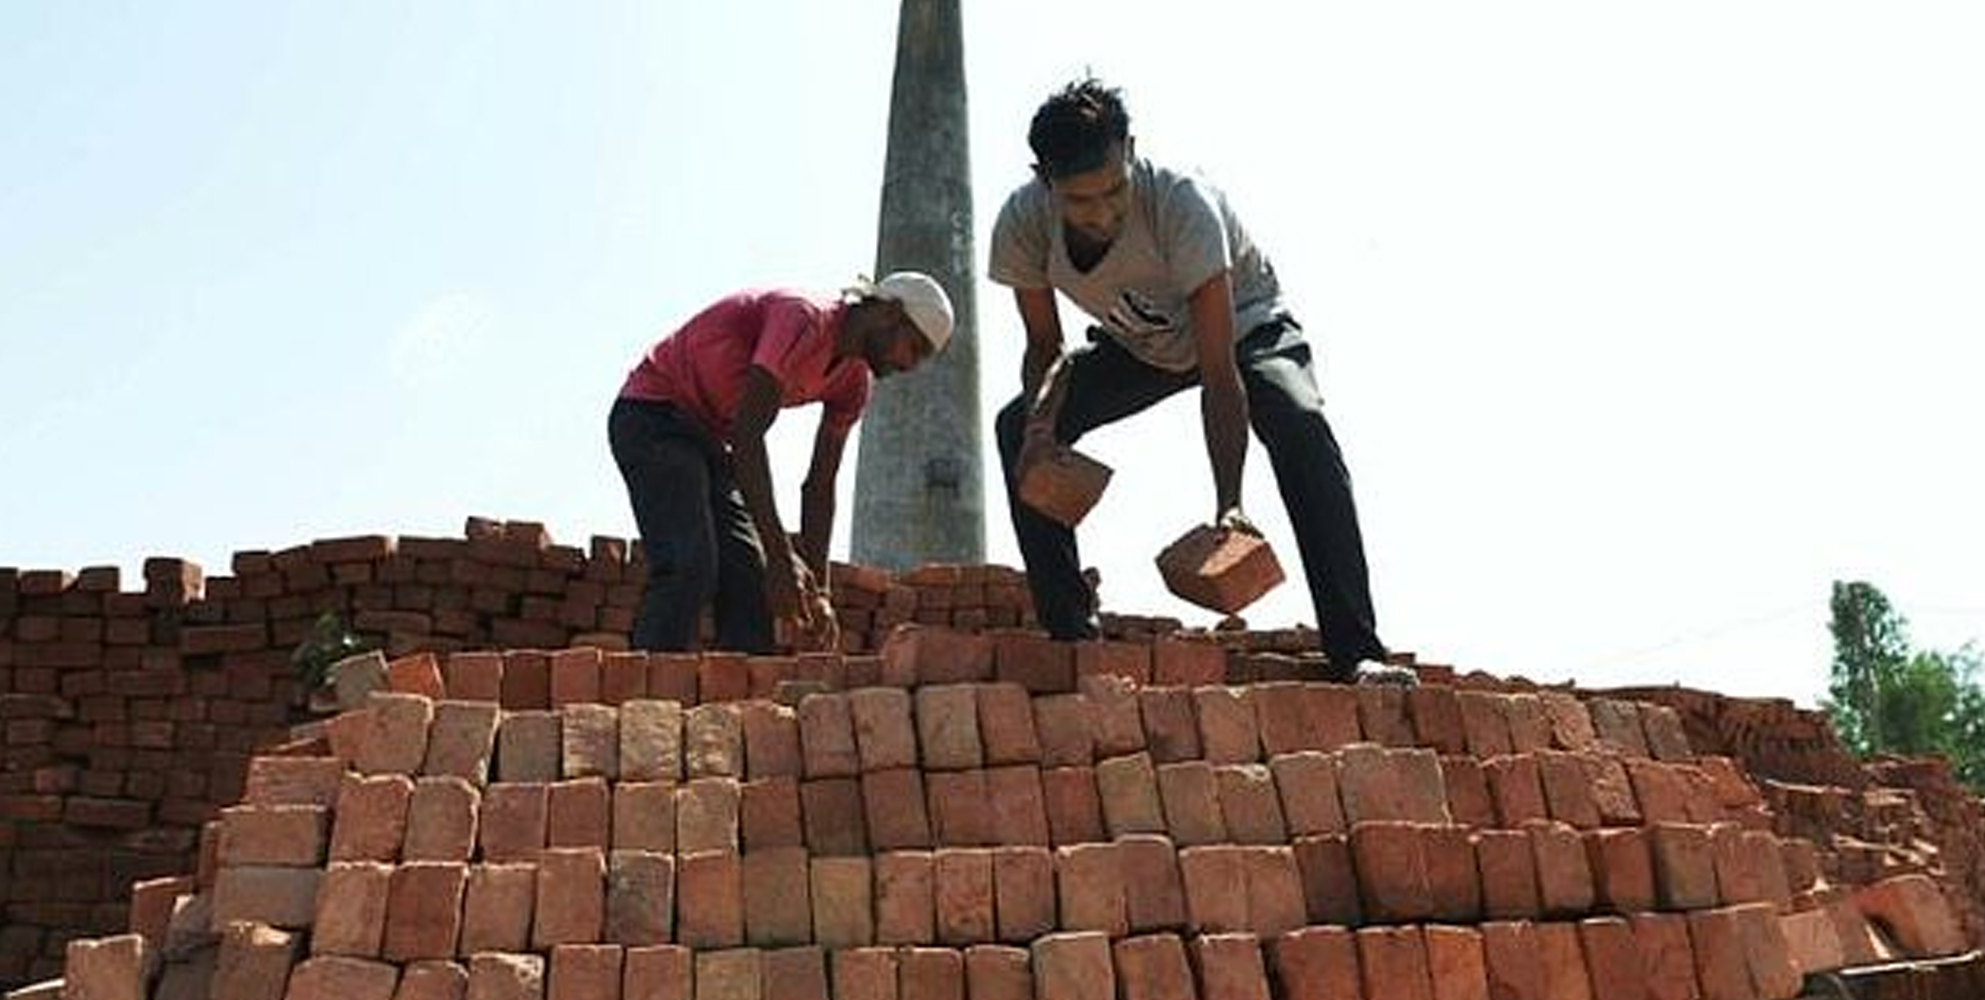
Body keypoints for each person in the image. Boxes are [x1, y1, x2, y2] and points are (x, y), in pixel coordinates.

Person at [989, 77, 1410, 684]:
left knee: (1300, 424)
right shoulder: (1023, 223)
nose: (1103, 214)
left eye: (1114, 191)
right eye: (1080, 203)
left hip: (1242, 329)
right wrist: (1039, 431)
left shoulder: (1183, 207)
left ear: (1131, 151)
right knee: (1015, 427)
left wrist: (1229, 503)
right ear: (1043, 179)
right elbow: (1043, 349)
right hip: (1142, 344)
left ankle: (1356, 650)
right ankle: (1070, 633)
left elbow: (1219, 375)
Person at [610, 273, 954, 652]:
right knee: (689, 564)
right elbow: (747, 434)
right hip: (655, 415)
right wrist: (780, 555)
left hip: (709, 442)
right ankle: (642, 702)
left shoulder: (854, 383)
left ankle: (739, 704)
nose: (910, 365)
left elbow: (820, 486)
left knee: (749, 581)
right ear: (889, 313)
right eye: (915, 347)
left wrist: (819, 591)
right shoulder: (803, 319)